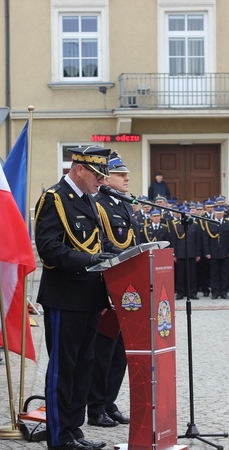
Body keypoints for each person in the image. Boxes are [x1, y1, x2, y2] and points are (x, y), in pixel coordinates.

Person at [34, 146, 114, 450]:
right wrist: (91, 258)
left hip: (90, 296)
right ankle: (59, 434)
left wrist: (116, 257)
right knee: (63, 367)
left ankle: (74, 428)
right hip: (65, 296)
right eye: (97, 174)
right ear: (78, 169)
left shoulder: (88, 201)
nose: (101, 181)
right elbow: (49, 248)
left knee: (84, 365)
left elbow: (100, 242)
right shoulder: (54, 199)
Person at [88, 151, 136, 428]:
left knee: (120, 353)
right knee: (103, 352)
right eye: (120, 174)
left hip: (128, 286)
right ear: (105, 178)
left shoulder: (124, 204)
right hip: (108, 286)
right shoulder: (98, 206)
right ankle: (95, 407)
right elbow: (101, 246)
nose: (127, 178)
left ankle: (109, 402)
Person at [202, 205, 229, 300]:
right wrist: (207, 252)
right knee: (214, 273)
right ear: (214, 213)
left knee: (225, 273)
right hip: (213, 252)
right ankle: (215, 292)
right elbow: (206, 239)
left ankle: (224, 292)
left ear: (223, 213)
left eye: (221, 213)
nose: (219, 215)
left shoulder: (228, 223)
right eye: (217, 213)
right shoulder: (209, 223)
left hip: (225, 252)